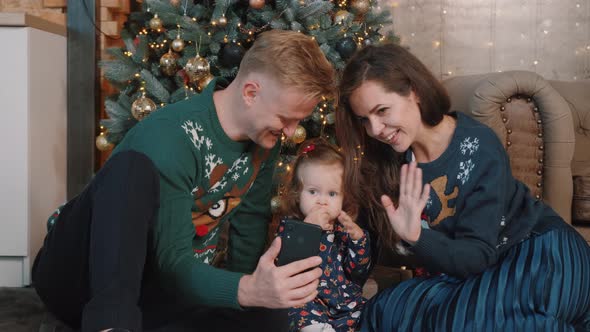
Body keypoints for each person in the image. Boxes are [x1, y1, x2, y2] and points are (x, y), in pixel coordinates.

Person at [32, 30, 336, 332]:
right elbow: (172, 262)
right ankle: (111, 324)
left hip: (153, 286)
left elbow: (251, 222)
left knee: (267, 319)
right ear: (251, 93)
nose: (290, 130)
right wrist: (247, 290)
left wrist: (255, 291)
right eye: (285, 118)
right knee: (131, 168)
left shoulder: (263, 140)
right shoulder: (170, 135)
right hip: (79, 277)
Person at [335, 43, 590, 331]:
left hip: (541, 253)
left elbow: (477, 255)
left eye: (382, 111)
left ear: (414, 91)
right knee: (386, 309)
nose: (376, 129)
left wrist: (417, 237)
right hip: (476, 274)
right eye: (365, 120)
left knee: (482, 321)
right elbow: (383, 244)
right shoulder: (389, 159)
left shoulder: (478, 147)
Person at [276, 139, 372, 332]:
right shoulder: (291, 227)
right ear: (297, 193)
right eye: (313, 192)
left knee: (366, 310)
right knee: (293, 310)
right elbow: (285, 266)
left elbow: (358, 271)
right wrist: (308, 230)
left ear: (344, 197)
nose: (322, 201)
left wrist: (358, 240)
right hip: (308, 300)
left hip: (345, 302)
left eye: (332, 194)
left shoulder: (344, 229)